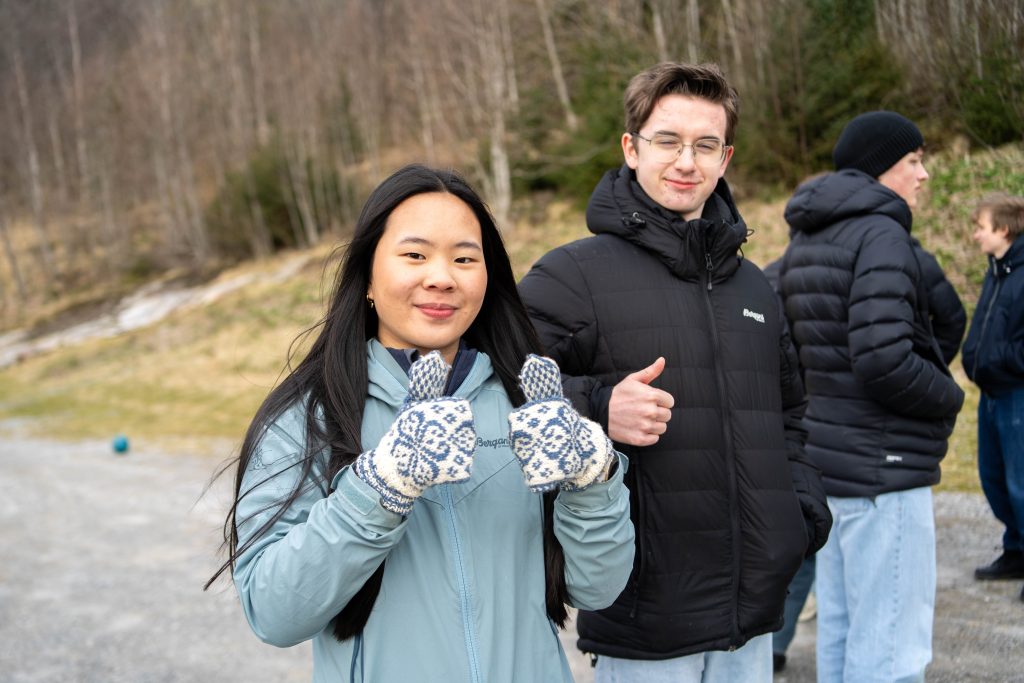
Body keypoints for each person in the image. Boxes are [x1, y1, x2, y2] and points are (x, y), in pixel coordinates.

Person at [206, 164, 636, 682]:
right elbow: (273, 613)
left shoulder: (528, 404)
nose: (441, 277)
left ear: (487, 278)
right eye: (414, 254)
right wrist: (379, 487)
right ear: (367, 275)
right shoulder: (311, 416)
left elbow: (596, 588)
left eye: (464, 258)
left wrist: (594, 482)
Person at [518, 62, 832, 683]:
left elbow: (791, 413)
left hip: (751, 619)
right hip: (645, 619)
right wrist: (600, 405)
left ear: (726, 158)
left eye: (705, 145)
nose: (686, 161)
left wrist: (799, 517)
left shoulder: (754, 286)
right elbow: (499, 391)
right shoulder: (571, 275)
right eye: (667, 140)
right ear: (631, 148)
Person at [777, 111, 966, 682]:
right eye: (914, 161)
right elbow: (884, 358)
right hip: (884, 470)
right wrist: (949, 397)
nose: (924, 175)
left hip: (831, 462)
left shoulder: (813, 231)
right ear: (884, 168)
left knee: (841, 627)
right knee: (890, 645)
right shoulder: (881, 232)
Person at [962, 194, 1024, 600]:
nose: (975, 234)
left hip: (1016, 392)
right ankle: (1017, 550)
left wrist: (1002, 361)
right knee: (994, 478)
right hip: (990, 393)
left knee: (1021, 482)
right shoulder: (996, 270)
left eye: (980, 226)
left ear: (1002, 229)